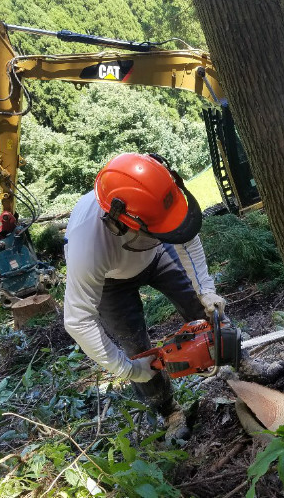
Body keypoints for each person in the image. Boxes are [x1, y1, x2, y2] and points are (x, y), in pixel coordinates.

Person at [63, 152, 226, 441]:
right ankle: (169, 412)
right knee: (136, 348)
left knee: (199, 305)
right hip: (111, 281)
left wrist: (206, 290)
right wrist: (128, 369)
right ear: (120, 223)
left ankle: (237, 358)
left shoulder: (153, 198)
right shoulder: (87, 245)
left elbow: (186, 236)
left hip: (155, 256)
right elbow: (77, 321)